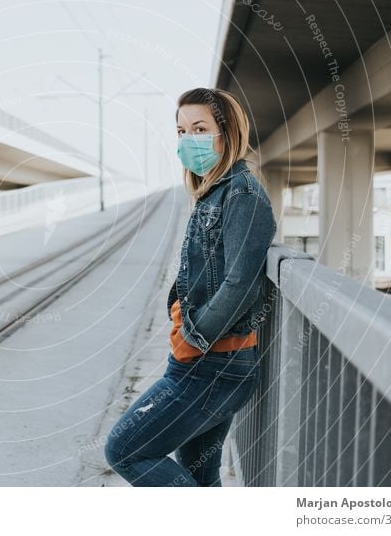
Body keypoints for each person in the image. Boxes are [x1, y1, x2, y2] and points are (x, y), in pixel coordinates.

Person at [104, 87, 277, 487]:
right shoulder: (214, 193)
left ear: (227, 132)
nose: (187, 140)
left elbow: (240, 283)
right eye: (181, 131)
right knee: (200, 472)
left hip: (210, 365)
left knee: (125, 450)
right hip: (207, 363)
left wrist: (193, 338)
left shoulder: (243, 195)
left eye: (199, 128)